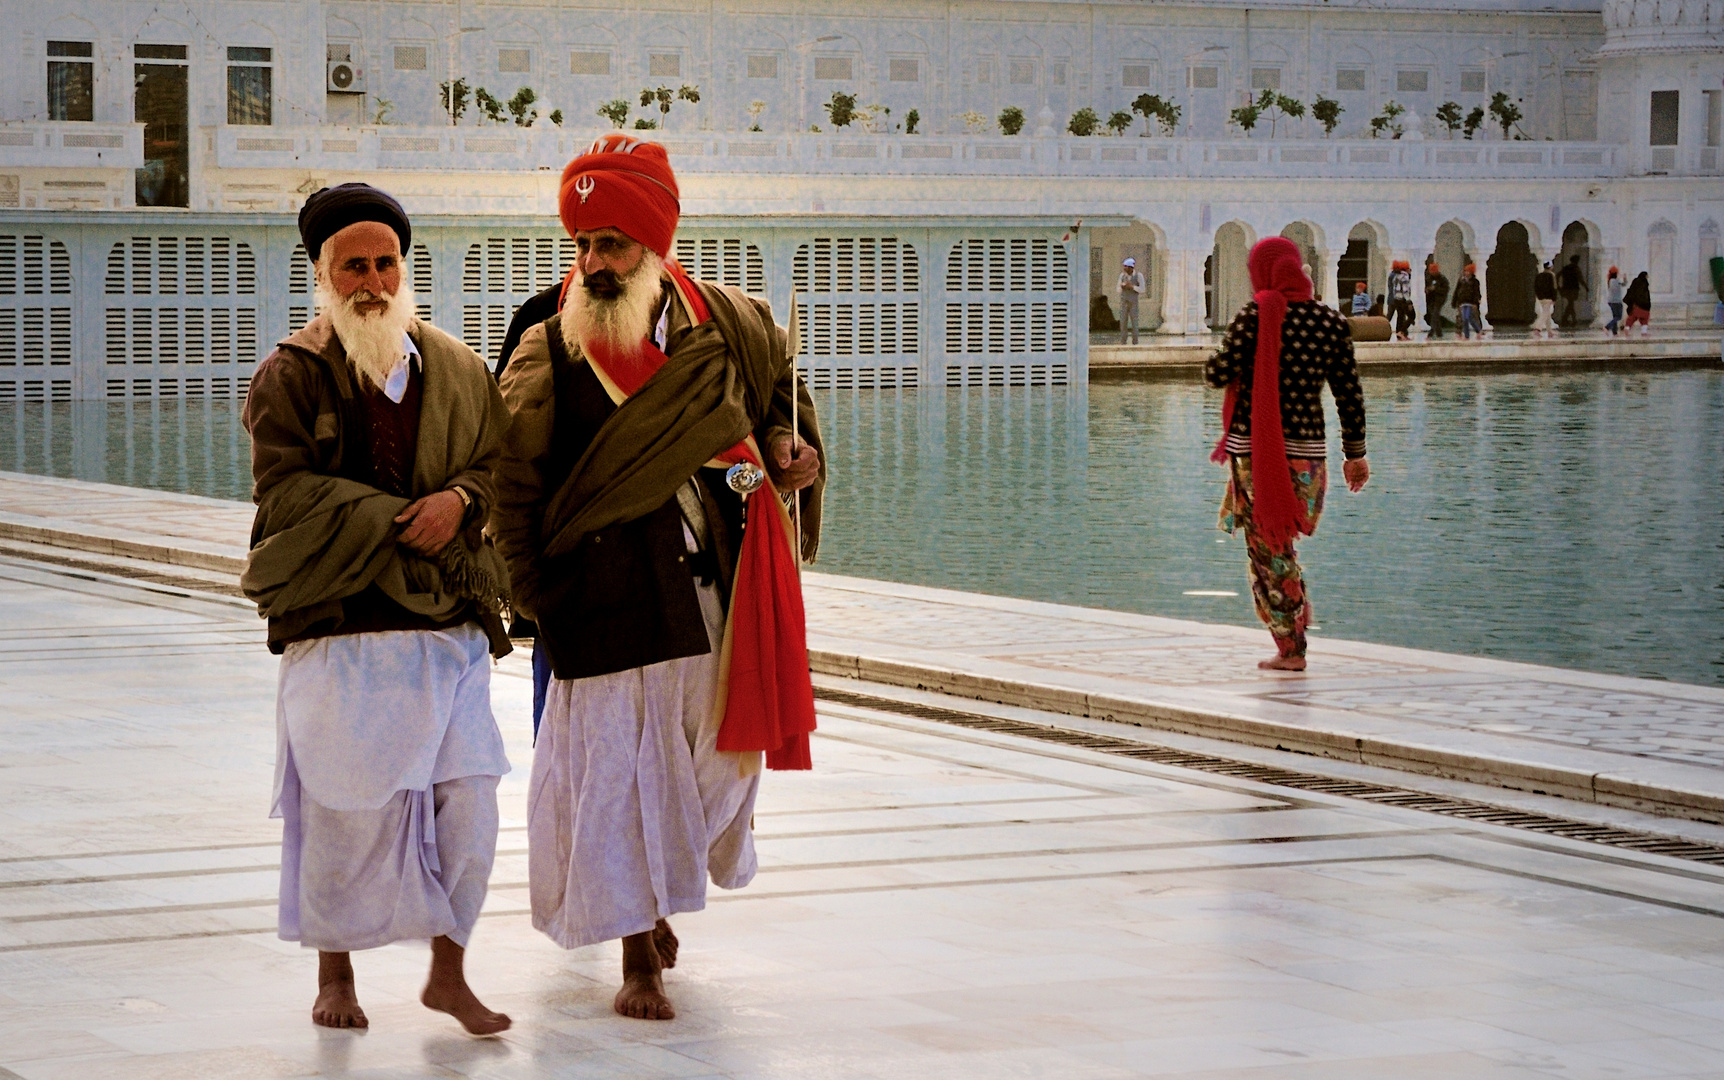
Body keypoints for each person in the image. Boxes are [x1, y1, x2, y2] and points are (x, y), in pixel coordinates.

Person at [491, 135, 824, 1022]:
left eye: (613, 245)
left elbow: (777, 409)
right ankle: (637, 954)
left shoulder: (733, 324)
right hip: (604, 597)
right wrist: (534, 597)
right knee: (622, 778)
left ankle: (659, 896)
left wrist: (794, 454)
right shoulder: (548, 344)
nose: (594, 263)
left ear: (656, 244)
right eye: (583, 244)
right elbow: (511, 480)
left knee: (714, 768)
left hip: (717, 588)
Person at [241, 184, 515, 1035]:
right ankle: (336, 976)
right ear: (321, 273)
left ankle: (450, 973)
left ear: (405, 266)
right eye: (352, 265)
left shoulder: (460, 367)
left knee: (469, 804)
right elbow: (283, 495)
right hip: (343, 627)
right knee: (344, 810)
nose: (371, 280)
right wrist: (396, 520)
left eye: (385, 262)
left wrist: (462, 504)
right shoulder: (290, 374)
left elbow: (498, 470)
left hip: (446, 628)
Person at [1204, 237, 1369, 671]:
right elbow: (1349, 396)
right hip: (1309, 458)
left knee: (1268, 550)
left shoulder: (1255, 316)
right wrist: (1356, 454)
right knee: (1282, 545)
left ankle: (1291, 646)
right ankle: (1293, 626)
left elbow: (1217, 373)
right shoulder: (1330, 323)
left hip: (1257, 457)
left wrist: (1222, 354)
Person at [1117, 257, 1146, 345]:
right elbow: (1118, 289)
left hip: (1133, 302)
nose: (1125, 269)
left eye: (1126, 267)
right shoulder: (1122, 276)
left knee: (1134, 322)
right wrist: (1123, 287)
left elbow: (1142, 289)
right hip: (1124, 302)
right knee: (1123, 322)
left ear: (1131, 268)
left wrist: (1132, 287)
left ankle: (1135, 341)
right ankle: (1123, 340)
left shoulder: (1138, 275)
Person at [1453, 263, 1483, 339]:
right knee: (1466, 318)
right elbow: (1457, 291)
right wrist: (1455, 301)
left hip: (1470, 303)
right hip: (1462, 302)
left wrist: (1475, 302)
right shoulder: (1461, 281)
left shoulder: (1474, 282)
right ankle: (1476, 331)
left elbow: (1476, 292)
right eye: (1465, 271)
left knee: (1466, 318)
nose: (1466, 273)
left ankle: (1468, 334)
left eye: (1468, 271)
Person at [1558, 254, 1589, 326]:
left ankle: (1571, 319)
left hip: (1566, 288)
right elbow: (1580, 279)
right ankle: (1566, 319)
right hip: (1573, 288)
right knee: (1570, 303)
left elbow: (1558, 275)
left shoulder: (1566, 268)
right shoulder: (1576, 268)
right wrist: (1585, 287)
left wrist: (1558, 286)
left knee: (1570, 303)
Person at [1388, 260, 1415, 340]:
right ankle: (1402, 331)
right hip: (1403, 300)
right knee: (1412, 315)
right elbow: (1405, 291)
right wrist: (1409, 302)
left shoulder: (1396, 276)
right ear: (1406, 269)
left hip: (1396, 299)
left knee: (1400, 316)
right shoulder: (1405, 277)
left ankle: (1399, 335)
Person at [1423, 256, 1449, 339]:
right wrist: (1427, 290)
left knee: (1435, 315)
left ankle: (1431, 333)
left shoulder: (1442, 279)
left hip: (1439, 299)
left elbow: (1445, 289)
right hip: (1431, 300)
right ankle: (1439, 333)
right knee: (1435, 316)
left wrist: (1436, 289)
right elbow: (1426, 287)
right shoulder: (1429, 278)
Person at [1532, 261, 1558, 338]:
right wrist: (1554, 298)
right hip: (1548, 297)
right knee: (1545, 314)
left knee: (1547, 314)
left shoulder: (1539, 275)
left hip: (1541, 297)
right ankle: (1537, 329)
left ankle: (1549, 331)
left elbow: (1535, 286)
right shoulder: (1551, 275)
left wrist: (1538, 295)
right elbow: (1554, 287)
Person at [1624, 270, 1652, 336]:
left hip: (1636, 304)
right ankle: (1644, 332)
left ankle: (1627, 328)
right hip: (1644, 305)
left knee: (1633, 317)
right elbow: (1645, 294)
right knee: (1644, 318)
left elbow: (1631, 291)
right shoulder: (1644, 283)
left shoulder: (1635, 281)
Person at [1604, 266, 1624, 335]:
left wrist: (1624, 278)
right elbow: (1622, 284)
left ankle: (1614, 331)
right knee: (1618, 317)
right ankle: (1607, 327)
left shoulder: (1611, 281)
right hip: (1616, 301)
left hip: (1612, 301)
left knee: (1615, 316)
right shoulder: (1614, 281)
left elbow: (1623, 284)